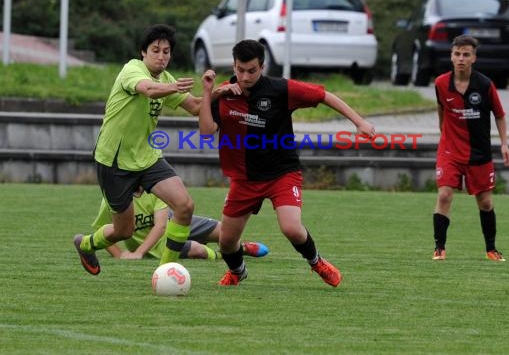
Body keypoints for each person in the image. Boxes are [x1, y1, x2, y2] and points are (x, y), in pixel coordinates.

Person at [199, 39, 376, 287]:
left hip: (281, 173)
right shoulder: (224, 95)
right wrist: (209, 93)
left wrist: (359, 122)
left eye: (252, 70)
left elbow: (324, 95)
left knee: (291, 228)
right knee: (226, 241)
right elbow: (207, 131)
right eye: (240, 70)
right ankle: (238, 272)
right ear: (234, 65)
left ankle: (316, 262)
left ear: (262, 67)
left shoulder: (280, 89)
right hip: (244, 178)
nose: (245, 76)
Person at [73, 24, 216, 275]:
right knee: (123, 231)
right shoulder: (132, 69)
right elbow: (147, 89)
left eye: (166, 51)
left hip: (146, 157)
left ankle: (165, 270)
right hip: (113, 161)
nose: (161, 56)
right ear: (143, 52)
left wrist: (213, 92)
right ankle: (86, 244)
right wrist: (173, 88)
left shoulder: (166, 79)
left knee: (184, 205)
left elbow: (195, 107)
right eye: (155, 50)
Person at [431, 35, 509, 262]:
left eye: (466, 54)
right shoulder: (440, 83)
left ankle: (491, 249)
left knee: (485, 202)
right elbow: (441, 109)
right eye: (457, 54)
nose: (461, 59)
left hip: (479, 153)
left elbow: (500, 115)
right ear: (451, 56)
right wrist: (443, 134)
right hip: (450, 150)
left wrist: (504, 144)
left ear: (474, 58)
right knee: (445, 194)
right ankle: (439, 247)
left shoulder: (485, 85)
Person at [91, 189, 269, 260]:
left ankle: (243, 247)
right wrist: (119, 254)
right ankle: (224, 255)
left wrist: (138, 253)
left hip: (172, 221)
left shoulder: (152, 189)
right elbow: (101, 228)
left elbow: (160, 225)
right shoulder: (114, 198)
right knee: (199, 250)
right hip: (160, 245)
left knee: (225, 231)